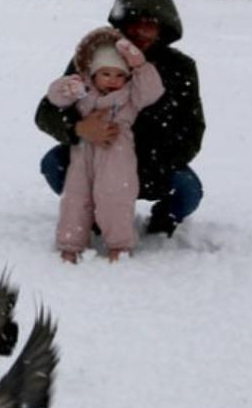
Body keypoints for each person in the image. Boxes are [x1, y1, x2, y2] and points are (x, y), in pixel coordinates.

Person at [33, 0, 206, 239]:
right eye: (134, 22)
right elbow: (46, 112)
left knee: (188, 189)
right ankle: (90, 212)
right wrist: (79, 128)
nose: (141, 31)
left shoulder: (180, 69)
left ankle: (162, 222)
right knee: (53, 164)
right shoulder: (94, 56)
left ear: (162, 28)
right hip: (93, 159)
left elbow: (192, 131)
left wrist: (143, 164)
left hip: (152, 168)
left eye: (150, 24)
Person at [42, 27, 164, 262]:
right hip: (83, 152)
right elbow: (54, 99)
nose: (113, 81)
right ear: (93, 73)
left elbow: (152, 91)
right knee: (76, 198)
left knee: (115, 196)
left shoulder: (130, 96)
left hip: (117, 151)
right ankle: (71, 242)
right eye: (106, 74)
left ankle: (119, 244)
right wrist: (66, 87)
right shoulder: (83, 90)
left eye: (120, 75)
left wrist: (139, 66)